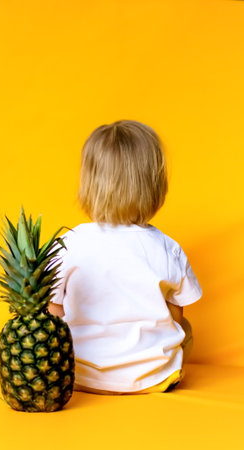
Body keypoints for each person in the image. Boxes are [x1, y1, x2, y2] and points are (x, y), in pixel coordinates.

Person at [48, 120, 203, 395]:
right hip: (153, 377)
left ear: (89, 183)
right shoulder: (167, 248)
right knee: (186, 328)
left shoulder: (68, 243)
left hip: (78, 376)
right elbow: (177, 315)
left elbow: (53, 313)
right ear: (155, 186)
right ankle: (152, 371)